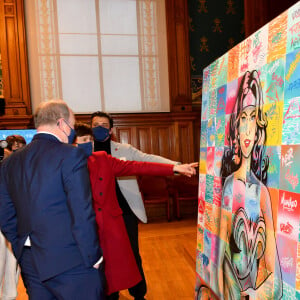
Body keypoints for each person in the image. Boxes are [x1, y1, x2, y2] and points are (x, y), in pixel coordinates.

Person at [73, 123, 197, 297]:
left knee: (114, 272)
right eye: (84, 140)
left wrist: (174, 168)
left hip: (109, 227)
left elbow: (139, 165)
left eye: (90, 140)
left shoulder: (102, 159)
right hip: (84, 229)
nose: (89, 144)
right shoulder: (65, 164)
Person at [0, 100, 104, 300]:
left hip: (30, 260)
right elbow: (82, 211)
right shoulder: (71, 155)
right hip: (71, 259)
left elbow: (5, 212)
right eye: (72, 126)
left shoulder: (10, 161)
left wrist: (22, 244)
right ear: (62, 124)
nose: (72, 131)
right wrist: (94, 255)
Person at [90, 112, 181, 300]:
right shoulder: (83, 151)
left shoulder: (123, 149)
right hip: (97, 214)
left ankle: (139, 294)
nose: (99, 127)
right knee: (103, 256)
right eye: (96, 124)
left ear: (111, 129)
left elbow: (147, 160)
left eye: (104, 124)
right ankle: (110, 293)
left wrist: (176, 165)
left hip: (125, 210)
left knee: (132, 254)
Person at [215, 70, 282, 299]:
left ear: (258, 133)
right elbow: (220, 252)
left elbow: (275, 271)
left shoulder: (262, 193)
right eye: (242, 118)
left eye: (252, 117)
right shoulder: (229, 185)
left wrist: (257, 293)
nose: (247, 127)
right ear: (236, 127)